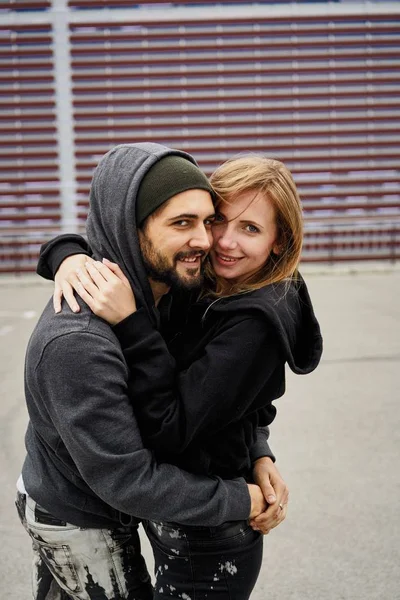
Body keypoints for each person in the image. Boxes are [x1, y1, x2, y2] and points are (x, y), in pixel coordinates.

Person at [38, 150, 322, 599]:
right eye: (218, 221)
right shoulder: (204, 281)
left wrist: (132, 324)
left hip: (211, 527)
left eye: (250, 228)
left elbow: (177, 425)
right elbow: (247, 403)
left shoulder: (254, 322)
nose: (220, 242)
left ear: (279, 242)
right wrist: (66, 256)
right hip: (166, 505)